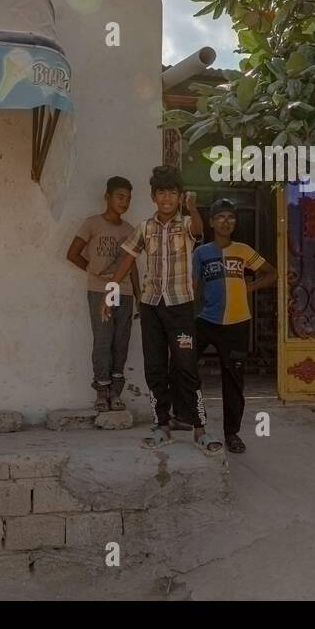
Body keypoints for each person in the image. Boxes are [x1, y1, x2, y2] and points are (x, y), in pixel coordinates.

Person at [107, 166, 223, 455]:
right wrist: (109, 292)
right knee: (155, 367)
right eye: (162, 192)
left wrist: (193, 208)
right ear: (153, 196)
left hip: (180, 307)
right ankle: (162, 426)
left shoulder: (185, 224)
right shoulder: (145, 228)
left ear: (179, 196)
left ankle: (200, 429)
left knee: (186, 367)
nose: (167, 198)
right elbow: (127, 259)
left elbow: (199, 230)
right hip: (151, 306)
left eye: (172, 192)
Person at [192, 199, 277, 454]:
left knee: (234, 381)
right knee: (184, 368)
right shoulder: (201, 253)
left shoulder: (243, 250)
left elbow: (272, 273)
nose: (226, 222)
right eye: (220, 217)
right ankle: (195, 421)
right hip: (205, 321)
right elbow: (193, 287)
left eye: (230, 217)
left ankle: (232, 434)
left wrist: (247, 287)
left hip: (238, 323)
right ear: (211, 222)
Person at [67, 176, 141, 412]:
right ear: (107, 197)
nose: (124, 202)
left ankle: (116, 393)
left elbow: (133, 265)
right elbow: (73, 254)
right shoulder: (92, 224)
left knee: (121, 341)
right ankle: (101, 391)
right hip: (100, 291)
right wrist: (94, 272)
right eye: (120, 197)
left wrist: (140, 297)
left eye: (128, 199)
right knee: (103, 340)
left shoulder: (130, 230)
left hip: (126, 292)